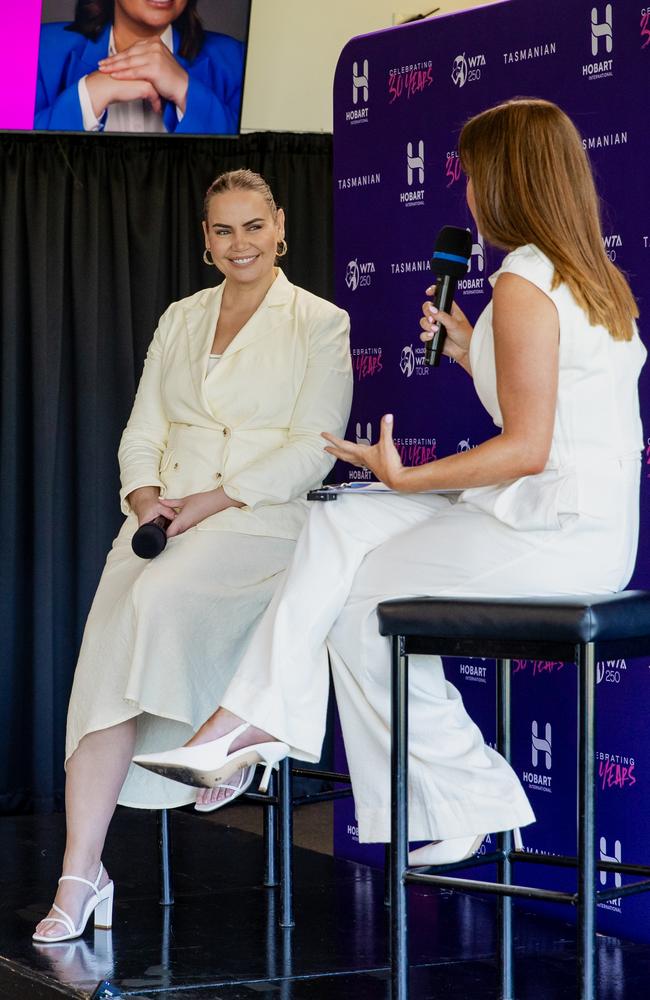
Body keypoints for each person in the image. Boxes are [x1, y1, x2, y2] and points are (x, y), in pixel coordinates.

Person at [133, 99, 645, 866]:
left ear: (506, 180)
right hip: (564, 521)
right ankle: (249, 723)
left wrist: (409, 478)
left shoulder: (523, 283)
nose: (465, 191)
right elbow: (554, 411)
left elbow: (529, 448)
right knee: (339, 527)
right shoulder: (588, 277)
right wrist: (474, 352)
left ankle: (441, 783)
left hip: (553, 532)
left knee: (353, 600)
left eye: (472, 174)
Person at [32, 168, 353, 942]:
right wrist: (144, 496)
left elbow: (314, 449)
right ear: (204, 241)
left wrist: (212, 500)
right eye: (222, 230)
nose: (239, 243)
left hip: (258, 522)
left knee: (155, 602)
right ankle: (82, 874)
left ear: (280, 226)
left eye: (252, 226)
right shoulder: (180, 318)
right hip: (161, 522)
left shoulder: (319, 321)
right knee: (103, 667)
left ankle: (228, 736)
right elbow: (142, 428)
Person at [35, 0, 244, 133]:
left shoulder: (235, 60)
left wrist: (186, 91)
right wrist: (88, 95)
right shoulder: (34, 48)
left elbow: (250, 177)